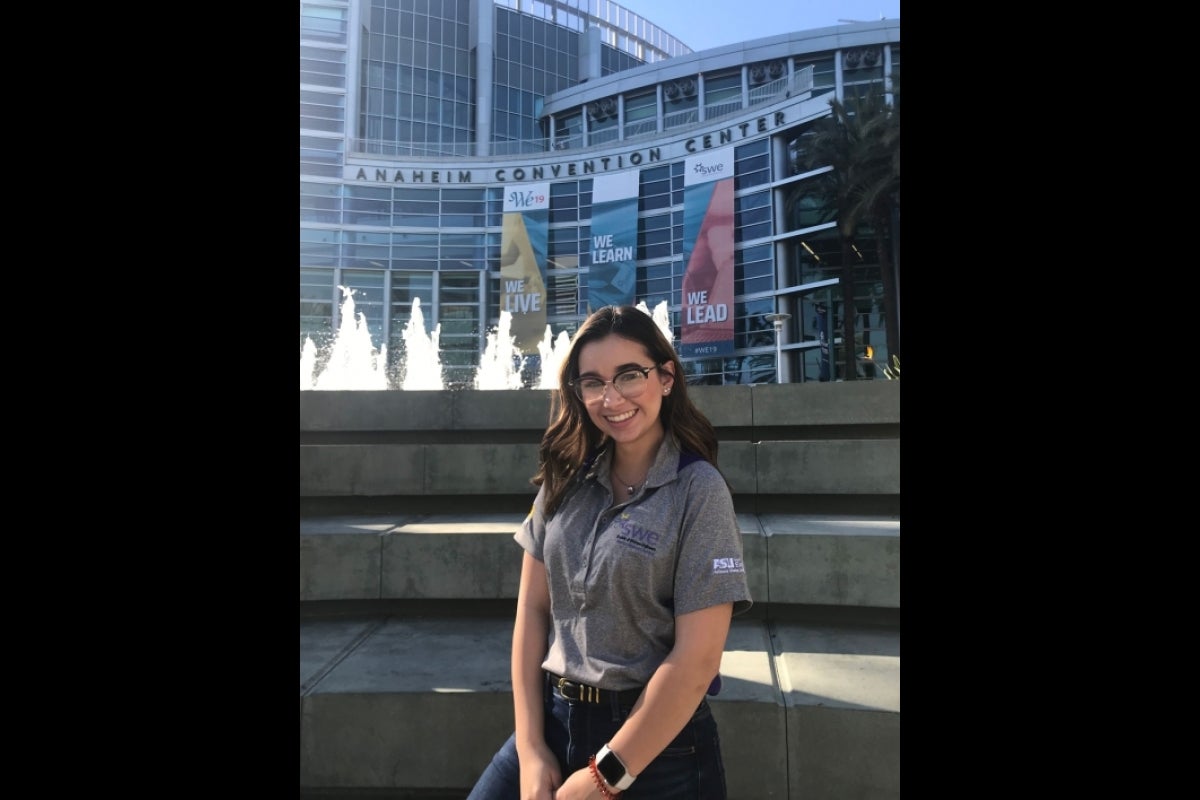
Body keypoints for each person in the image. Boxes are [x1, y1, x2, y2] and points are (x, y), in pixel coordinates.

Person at [467, 305, 752, 800]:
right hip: (554, 721)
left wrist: (606, 776)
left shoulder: (697, 491)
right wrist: (532, 746)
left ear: (665, 377)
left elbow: (698, 658)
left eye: (629, 375)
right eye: (593, 382)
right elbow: (533, 610)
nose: (611, 397)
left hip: (658, 748)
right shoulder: (564, 477)